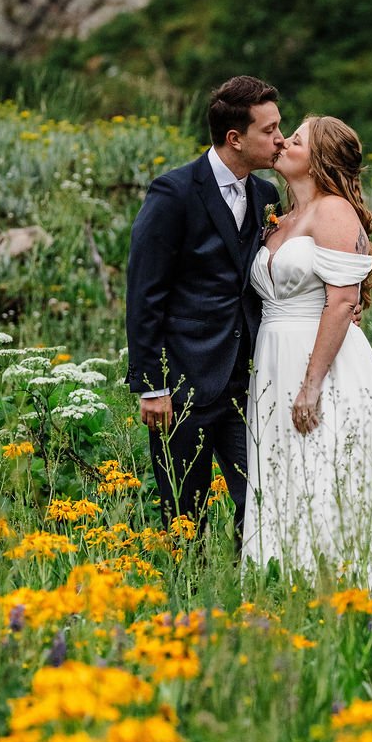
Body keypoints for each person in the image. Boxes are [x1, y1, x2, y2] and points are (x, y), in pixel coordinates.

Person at [242, 114, 372, 598]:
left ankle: (346, 590)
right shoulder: (280, 214)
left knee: (325, 472)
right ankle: (286, 591)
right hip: (274, 361)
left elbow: (343, 300)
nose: (281, 143)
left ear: (317, 159)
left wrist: (311, 384)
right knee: (284, 478)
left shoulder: (333, 210)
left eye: (294, 139)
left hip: (321, 366)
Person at [125, 75, 283, 536]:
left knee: (258, 502)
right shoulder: (173, 193)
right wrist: (151, 386)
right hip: (182, 386)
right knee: (182, 513)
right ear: (235, 138)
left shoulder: (266, 196)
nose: (280, 139)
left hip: (247, 380)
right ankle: (184, 600)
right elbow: (144, 294)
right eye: (269, 130)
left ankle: (250, 597)